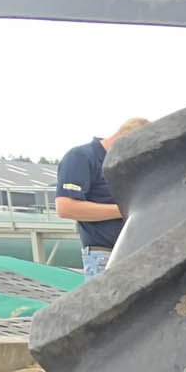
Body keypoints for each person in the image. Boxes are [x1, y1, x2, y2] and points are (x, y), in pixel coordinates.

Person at [53, 118, 149, 277]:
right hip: (105, 256)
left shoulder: (126, 165)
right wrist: (126, 210)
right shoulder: (81, 157)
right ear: (125, 138)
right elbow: (66, 207)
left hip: (133, 253)